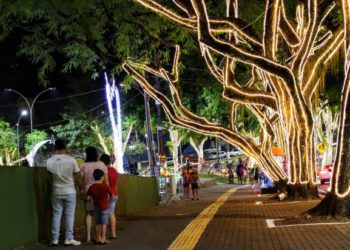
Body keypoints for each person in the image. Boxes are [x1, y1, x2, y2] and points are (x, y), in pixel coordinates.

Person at [46, 139, 81, 246]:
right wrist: (81, 188)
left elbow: (49, 174)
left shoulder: (49, 161)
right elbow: (78, 176)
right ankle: (68, 238)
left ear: (54, 148)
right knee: (69, 215)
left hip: (56, 191)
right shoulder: (71, 160)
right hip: (70, 191)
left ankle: (55, 239)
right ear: (65, 147)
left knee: (56, 215)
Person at [80, 146, 109, 243]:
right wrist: (107, 192)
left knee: (88, 213)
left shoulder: (83, 165)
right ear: (96, 154)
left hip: (88, 190)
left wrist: (82, 190)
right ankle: (100, 237)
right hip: (101, 191)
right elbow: (106, 180)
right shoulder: (101, 164)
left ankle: (88, 237)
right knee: (100, 215)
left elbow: (81, 179)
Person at [86, 169, 112, 245]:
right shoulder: (105, 186)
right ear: (102, 177)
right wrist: (108, 200)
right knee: (104, 223)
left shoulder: (92, 187)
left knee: (97, 223)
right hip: (105, 207)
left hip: (96, 207)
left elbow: (88, 197)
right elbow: (111, 195)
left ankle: (98, 238)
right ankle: (103, 239)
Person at [100, 154, 118, 239]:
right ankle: (113, 233)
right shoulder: (114, 170)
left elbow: (105, 183)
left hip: (106, 194)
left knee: (103, 214)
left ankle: (102, 236)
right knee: (111, 213)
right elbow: (116, 183)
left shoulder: (103, 171)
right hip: (115, 193)